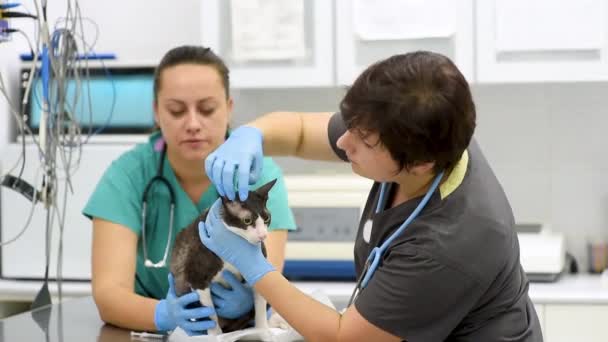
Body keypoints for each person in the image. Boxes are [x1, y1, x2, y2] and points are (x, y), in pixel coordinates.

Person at [199, 51, 543, 341]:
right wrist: (251, 134)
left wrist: (254, 266)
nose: (343, 142)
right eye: (350, 124)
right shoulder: (425, 126)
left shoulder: (451, 242)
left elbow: (344, 336)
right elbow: (302, 133)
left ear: (421, 163)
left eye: (363, 141)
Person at [82, 45, 296, 335]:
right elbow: (109, 296)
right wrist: (164, 314)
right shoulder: (128, 176)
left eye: (207, 109)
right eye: (176, 110)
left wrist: (248, 302)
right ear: (157, 112)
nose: (193, 123)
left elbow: (271, 279)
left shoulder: (259, 176)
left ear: (229, 108)